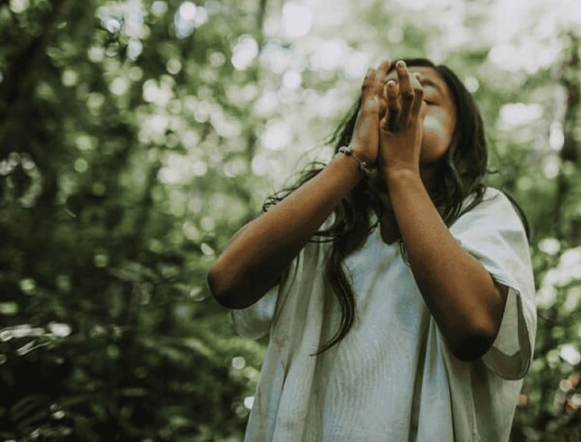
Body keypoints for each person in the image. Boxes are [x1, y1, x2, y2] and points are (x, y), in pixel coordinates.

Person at [207, 58, 536, 441]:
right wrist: (356, 157)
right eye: (386, 97)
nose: (404, 101)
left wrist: (403, 171)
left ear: (459, 131)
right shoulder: (322, 221)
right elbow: (228, 282)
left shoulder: (484, 212)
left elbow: (474, 328)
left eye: (425, 99)